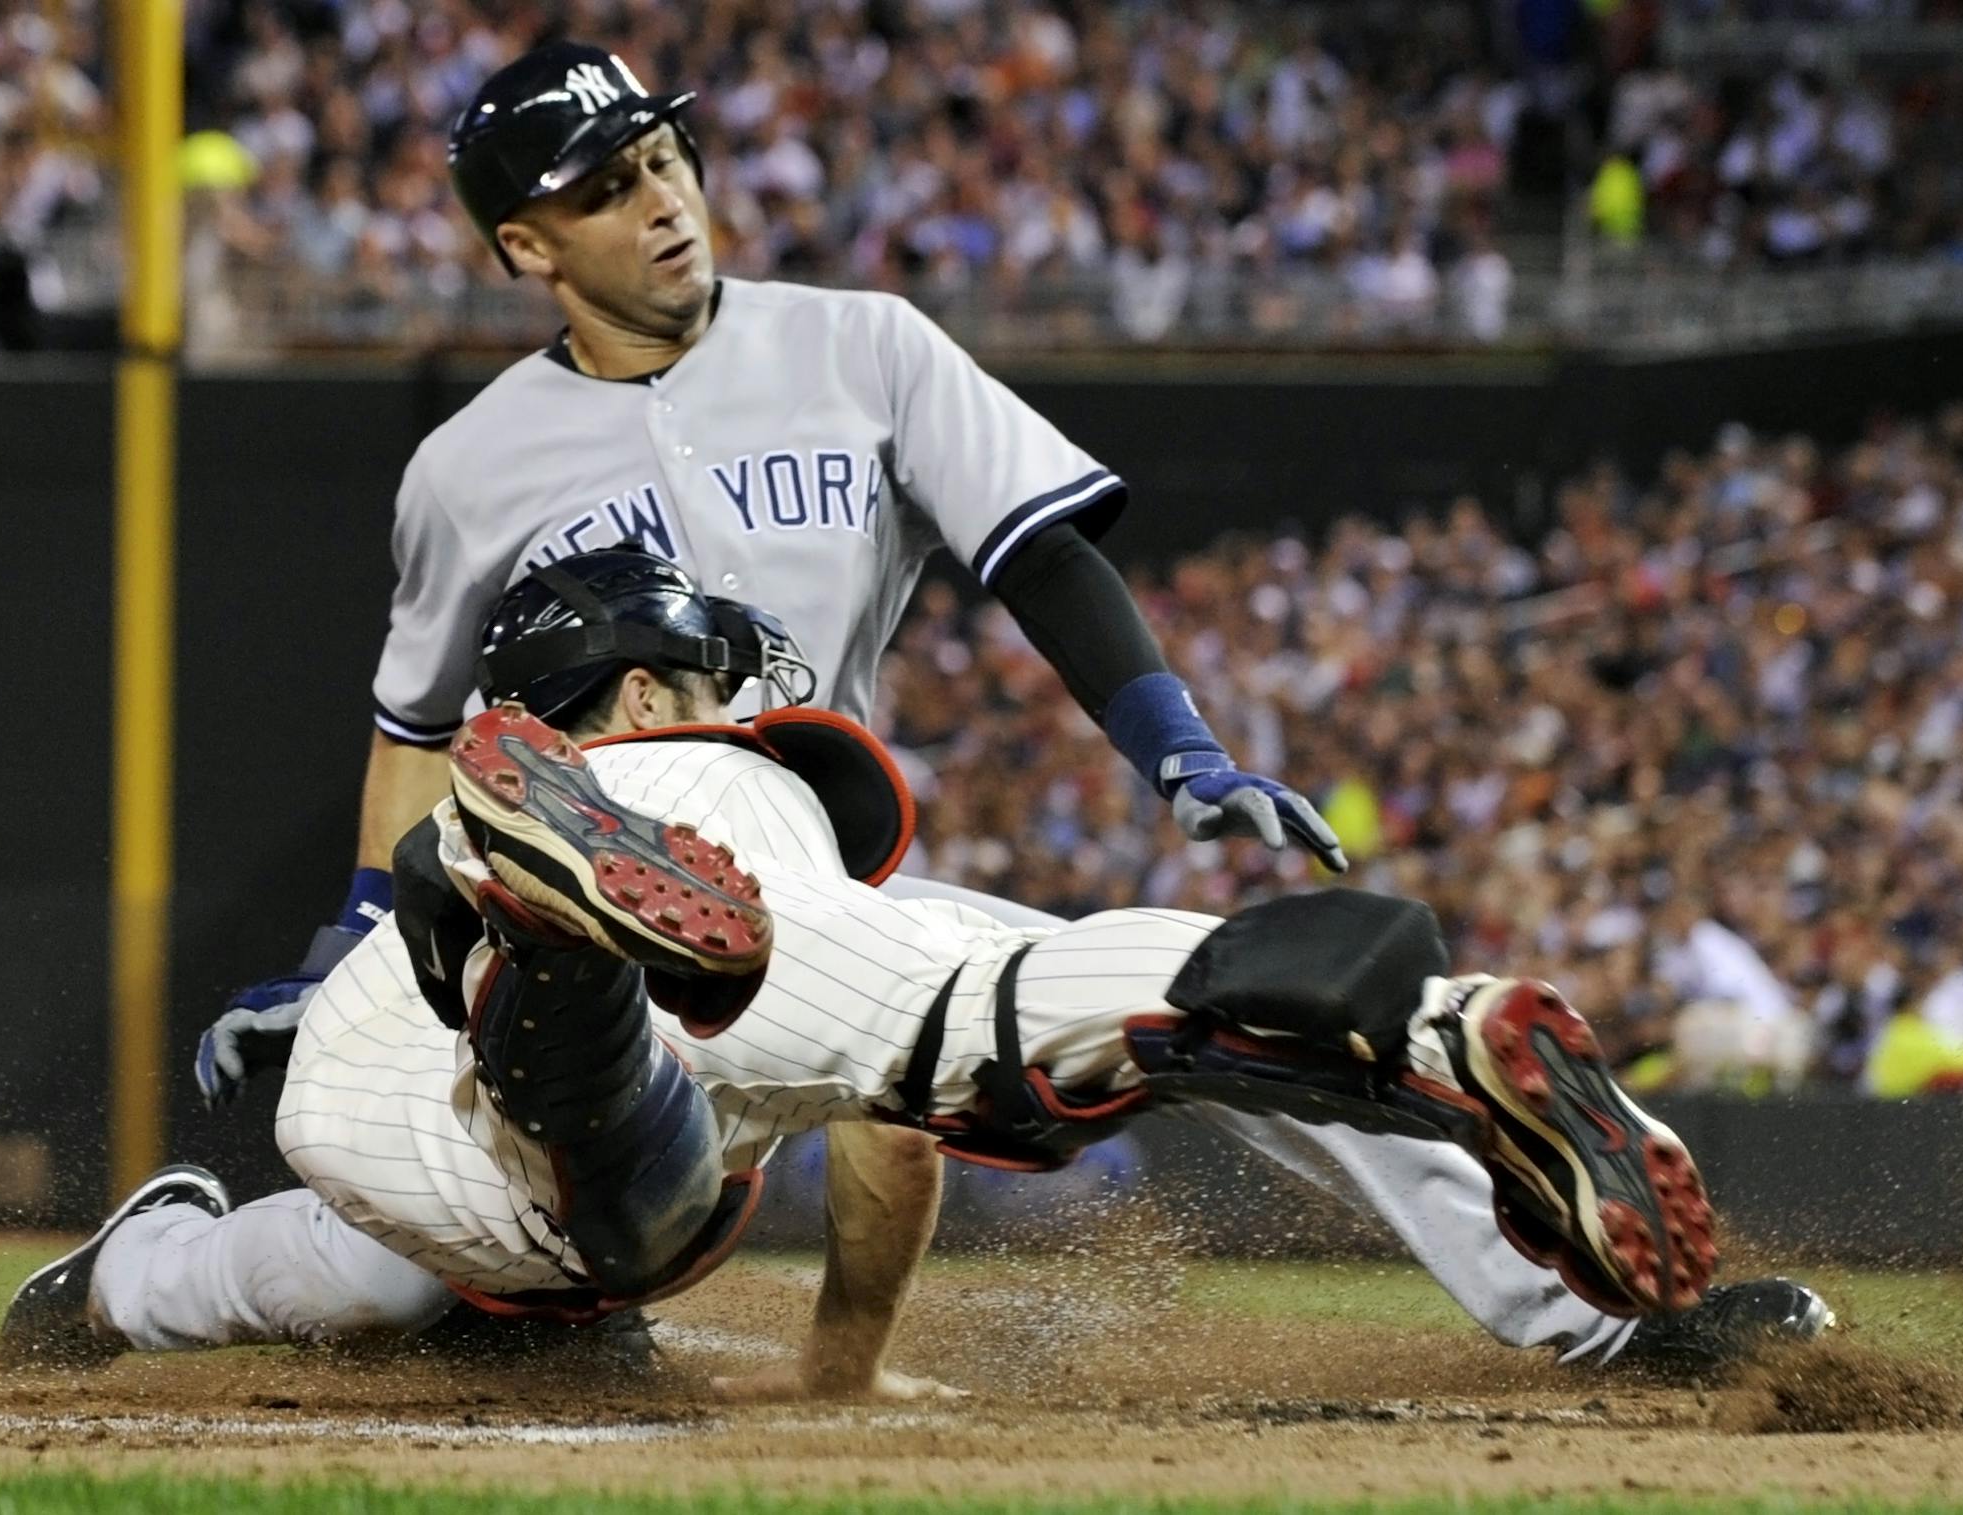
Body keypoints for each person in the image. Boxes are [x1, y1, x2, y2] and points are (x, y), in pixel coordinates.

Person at [193, 41, 1828, 1374]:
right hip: (576, 904)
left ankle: (1601, 1322)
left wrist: (1179, 748)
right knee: (410, 1277)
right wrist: (350, 932)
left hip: (796, 878)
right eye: (606, 190)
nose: (667, 202)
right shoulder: (466, 465)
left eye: (668, 158)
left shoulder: (863, 347)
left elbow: (1036, 553)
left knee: (1227, 1018)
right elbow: (417, 730)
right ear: (526, 250)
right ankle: (163, 1269)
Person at [6, 554, 1760, 1385]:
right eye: (730, 691)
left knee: (553, 1201)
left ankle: (511, 922)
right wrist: (841, 1361)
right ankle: (1439, 1029)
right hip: (472, 1066)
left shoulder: (721, 821)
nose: (762, 729)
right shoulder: (724, 785)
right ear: (632, 705)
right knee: (991, 1009)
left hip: (477, 1033)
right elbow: (920, 1087)